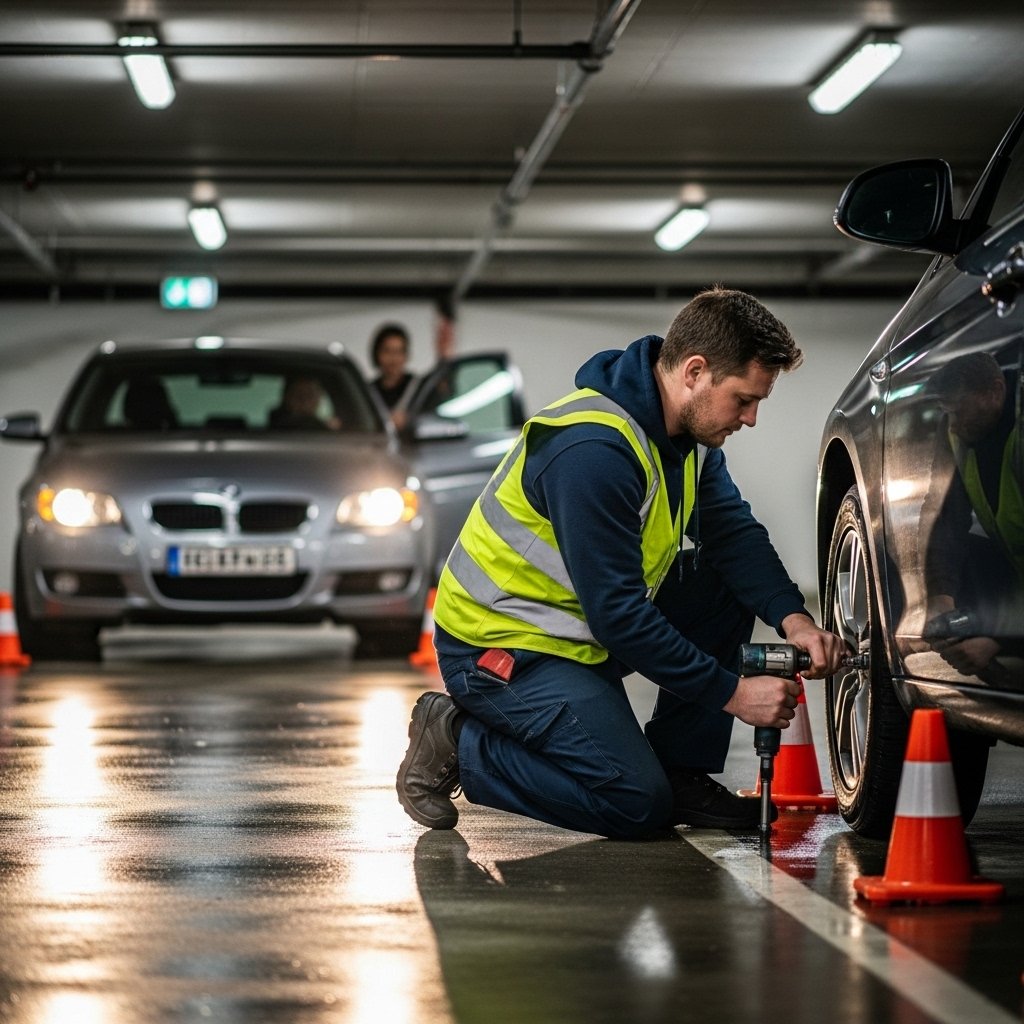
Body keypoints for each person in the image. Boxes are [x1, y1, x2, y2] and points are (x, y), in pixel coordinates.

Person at [396, 286, 847, 840]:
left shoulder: (688, 441)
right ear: (694, 372)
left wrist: (794, 619)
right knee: (635, 803)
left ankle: (681, 770)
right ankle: (458, 739)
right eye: (743, 399)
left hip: (577, 634)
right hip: (505, 647)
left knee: (723, 584)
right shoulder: (594, 452)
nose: (751, 418)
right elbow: (619, 616)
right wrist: (734, 694)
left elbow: (733, 534)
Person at [921, 352, 1022, 683]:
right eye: (947, 412)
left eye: (958, 411)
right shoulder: (956, 432)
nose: (952, 424)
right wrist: (940, 600)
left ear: (995, 392)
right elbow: (945, 519)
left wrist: (998, 638)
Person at [368, 322, 418, 429]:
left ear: (406, 355)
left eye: (399, 352)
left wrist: (409, 419)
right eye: (387, 351)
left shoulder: (418, 387)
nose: (393, 359)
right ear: (377, 354)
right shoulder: (368, 392)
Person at [268, 376, 339, 430]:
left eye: (310, 395)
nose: (304, 401)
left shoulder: (325, 429)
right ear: (287, 397)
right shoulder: (276, 429)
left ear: (319, 398)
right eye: (298, 395)